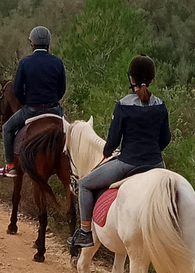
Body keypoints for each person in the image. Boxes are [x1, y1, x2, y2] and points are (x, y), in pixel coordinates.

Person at [68, 54, 171, 248]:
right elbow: (165, 139)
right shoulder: (161, 105)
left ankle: (85, 232)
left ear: (131, 78)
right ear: (151, 79)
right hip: (157, 164)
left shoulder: (123, 105)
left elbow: (113, 141)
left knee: (84, 184)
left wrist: (107, 151)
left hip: (128, 163)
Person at [0, 26, 66, 178]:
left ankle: (10, 166)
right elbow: (62, 89)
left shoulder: (25, 63)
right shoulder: (57, 62)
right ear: (48, 43)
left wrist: (26, 103)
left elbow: (16, 89)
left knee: (7, 128)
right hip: (54, 110)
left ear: (32, 44)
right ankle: (73, 168)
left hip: (32, 109)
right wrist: (54, 102)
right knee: (71, 132)